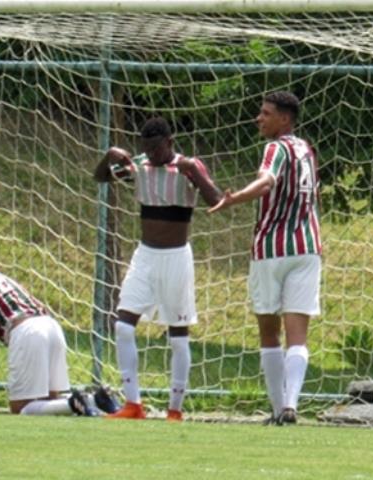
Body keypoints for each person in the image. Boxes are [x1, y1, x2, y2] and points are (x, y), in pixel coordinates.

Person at [94, 117, 223, 421]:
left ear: (170, 142)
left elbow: (216, 200)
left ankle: (175, 409)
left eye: (157, 148)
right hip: (145, 255)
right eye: (147, 148)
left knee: (178, 336)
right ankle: (133, 404)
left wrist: (194, 174)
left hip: (176, 257)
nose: (152, 154)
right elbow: (101, 177)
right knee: (123, 326)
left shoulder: (188, 166)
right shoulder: (140, 164)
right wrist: (109, 156)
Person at [208, 92, 321, 425]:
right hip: (307, 247)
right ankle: (291, 405)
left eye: (266, 113)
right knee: (298, 334)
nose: (259, 118)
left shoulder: (277, 147)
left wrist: (234, 199)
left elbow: (267, 181)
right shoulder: (307, 150)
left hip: (272, 249)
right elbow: (313, 194)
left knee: (269, 332)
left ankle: (276, 410)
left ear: (284, 120)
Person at [0, 238, 116, 416]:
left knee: (20, 407)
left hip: (26, 332)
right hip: (50, 327)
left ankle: (81, 400)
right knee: (51, 399)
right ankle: (96, 400)